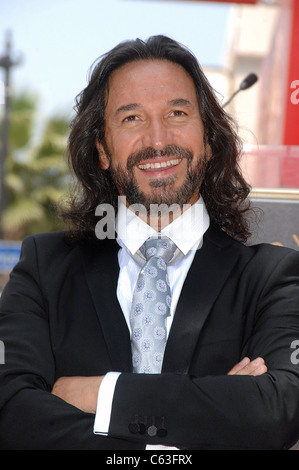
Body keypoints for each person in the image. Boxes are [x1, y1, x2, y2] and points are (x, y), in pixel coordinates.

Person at [0, 35, 299, 451]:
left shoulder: (274, 277)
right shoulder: (44, 268)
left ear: (209, 139)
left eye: (177, 113)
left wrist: (99, 396)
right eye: (132, 119)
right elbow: (11, 412)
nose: (158, 140)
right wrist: (206, 420)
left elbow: (280, 409)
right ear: (102, 149)